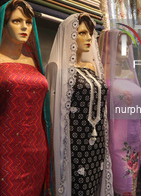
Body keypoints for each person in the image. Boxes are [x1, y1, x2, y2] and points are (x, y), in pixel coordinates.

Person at [0, 0, 52, 196]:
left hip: (37, 149)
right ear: (3, 24)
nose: (24, 27)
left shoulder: (34, 62)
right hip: (4, 151)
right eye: (17, 21)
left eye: (28, 22)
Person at [46, 13, 113, 196]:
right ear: (70, 34)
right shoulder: (58, 69)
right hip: (75, 144)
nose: (88, 38)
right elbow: (54, 112)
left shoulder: (91, 67)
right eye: (82, 33)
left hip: (96, 143)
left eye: (90, 33)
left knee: (93, 186)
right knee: (77, 187)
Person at [99, 29, 141, 195]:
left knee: (132, 189)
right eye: (121, 43)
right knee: (121, 190)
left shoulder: (130, 75)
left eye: (128, 44)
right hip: (115, 145)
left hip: (135, 142)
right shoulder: (100, 76)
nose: (126, 48)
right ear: (107, 46)